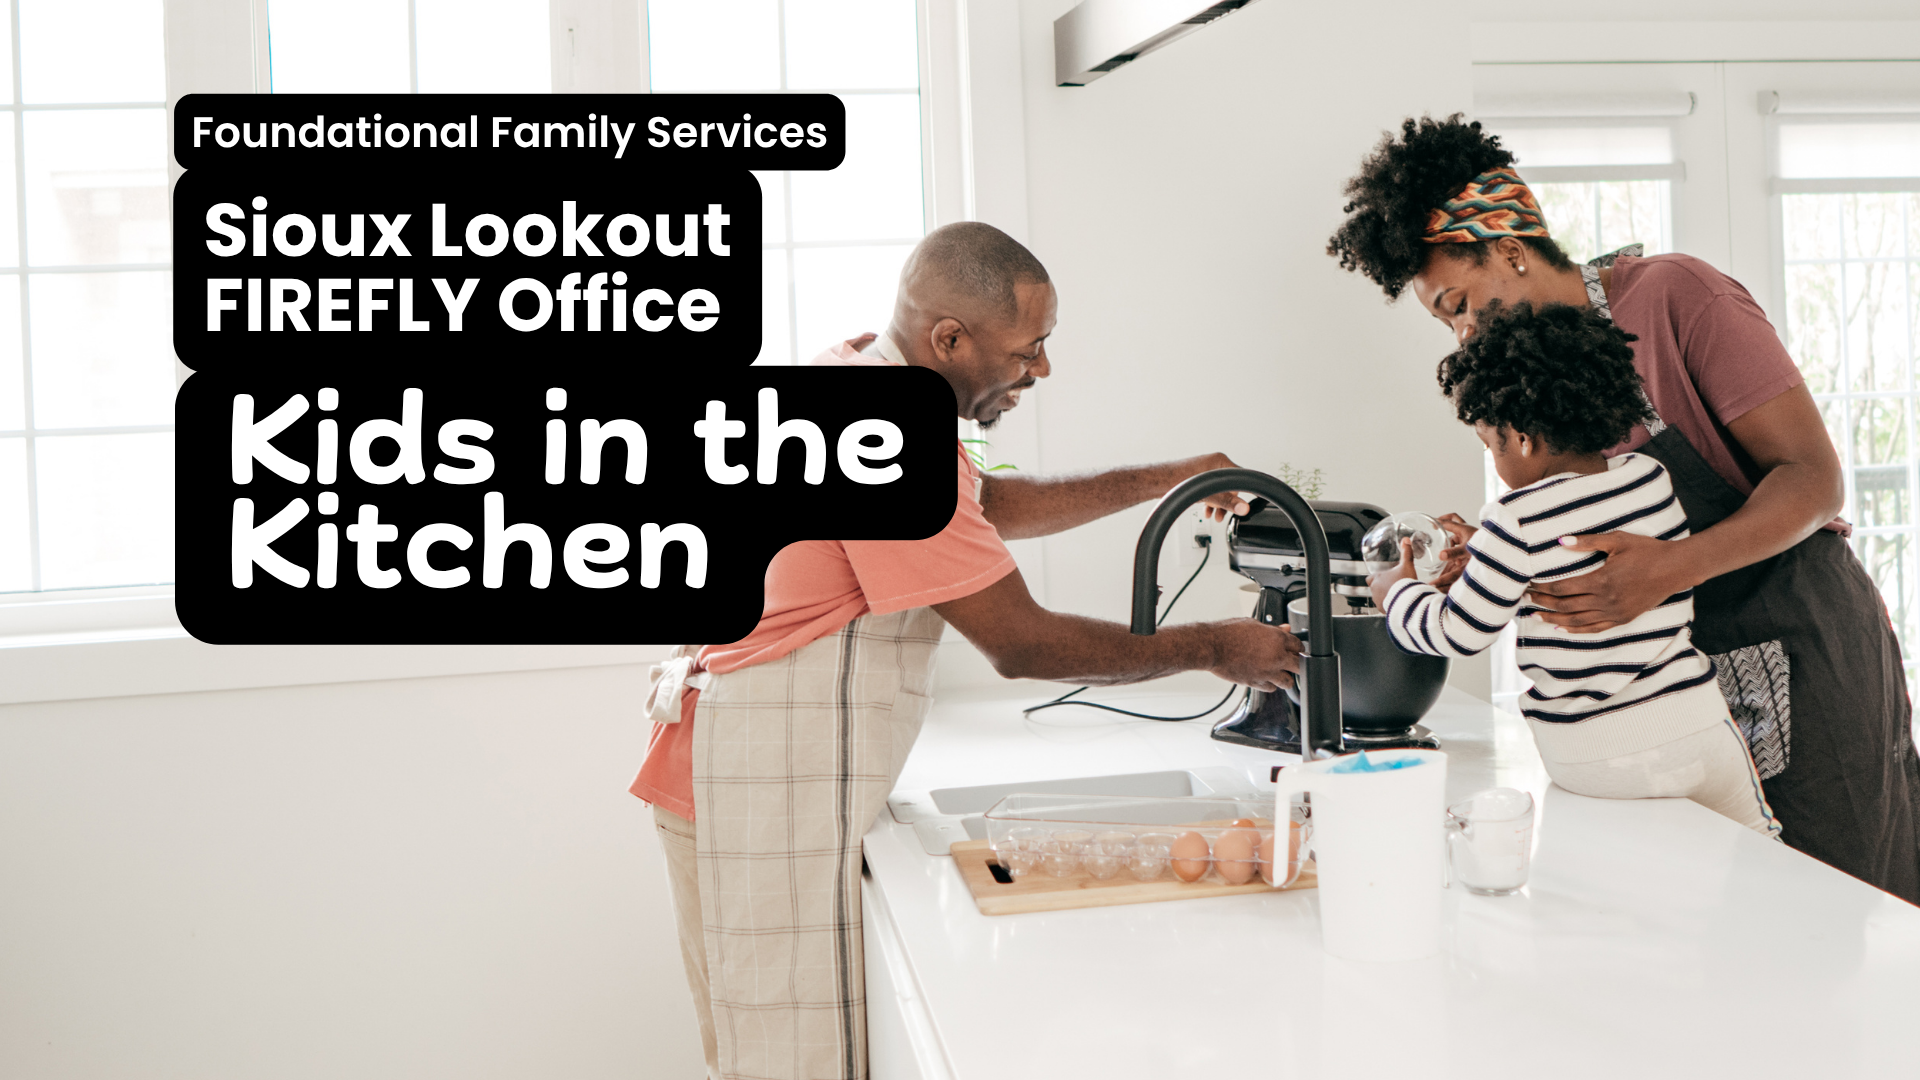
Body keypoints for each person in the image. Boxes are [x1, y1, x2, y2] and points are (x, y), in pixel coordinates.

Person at [631, 221, 1302, 1080]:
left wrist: (1166, 478)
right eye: (1031, 347)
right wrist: (1216, 644)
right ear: (948, 337)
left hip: (733, 772)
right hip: (758, 786)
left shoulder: (846, 375)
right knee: (789, 1065)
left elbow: (984, 505)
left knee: (758, 1055)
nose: (1042, 370)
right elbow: (1021, 643)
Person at [1330, 114, 1920, 902]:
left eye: (1461, 302)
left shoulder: (1678, 295)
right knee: (1734, 930)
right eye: (1448, 320)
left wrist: (1671, 567)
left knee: (1839, 910)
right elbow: (1585, 530)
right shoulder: (1529, 377)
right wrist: (1502, 554)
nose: (1466, 332)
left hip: (1800, 640)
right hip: (1681, 683)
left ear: (1509, 246)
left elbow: (1814, 480)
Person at [1370, 301, 1779, 836]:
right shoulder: (1649, 478)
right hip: (1697, 722)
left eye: (1490, 443)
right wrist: (1490, 553)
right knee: (1763, 846)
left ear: (1520, 437)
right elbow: (1567, 541)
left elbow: (1459, 631)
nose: (1495, 456)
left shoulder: (1512, 520)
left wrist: (1397, 592)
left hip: (1593, 751)